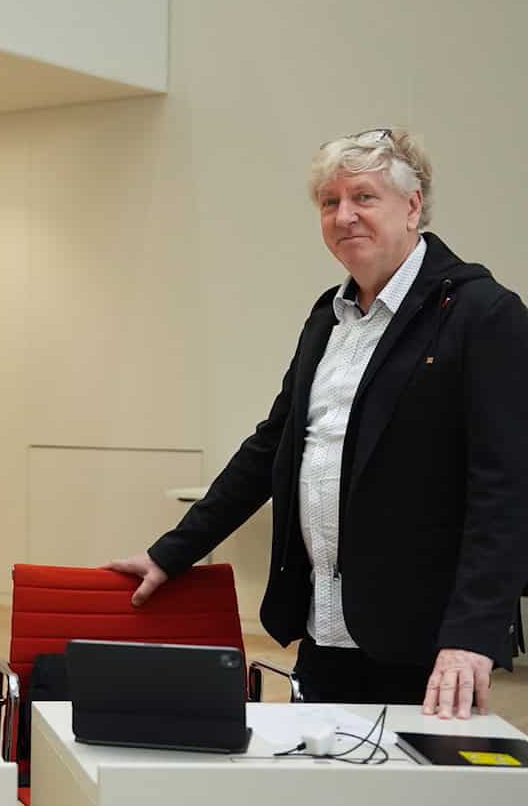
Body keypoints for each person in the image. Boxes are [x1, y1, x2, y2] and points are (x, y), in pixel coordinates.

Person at [109, 128, 528, 719]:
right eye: (330, 202)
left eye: (363, 197)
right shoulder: (328, 320)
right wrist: (171, 553)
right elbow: (271, 447)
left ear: (413, 207)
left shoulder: (482, 314)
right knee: (322, 804)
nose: (344, 215)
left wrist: (473, 634)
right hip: (324, 628)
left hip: (428, 646)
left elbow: (506, 490)